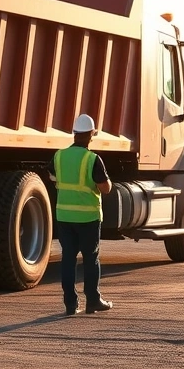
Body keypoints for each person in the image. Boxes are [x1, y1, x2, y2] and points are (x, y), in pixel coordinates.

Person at [48, 113, 114, 316]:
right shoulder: (92, 159)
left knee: (68, 259)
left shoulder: (59, 156)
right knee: (90, 259)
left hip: (64, 216)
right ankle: (92, 301)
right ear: (91, 135)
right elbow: (105, 188)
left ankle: (70, 304)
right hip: (88, 218)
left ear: (75, 133)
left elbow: (52, 176)